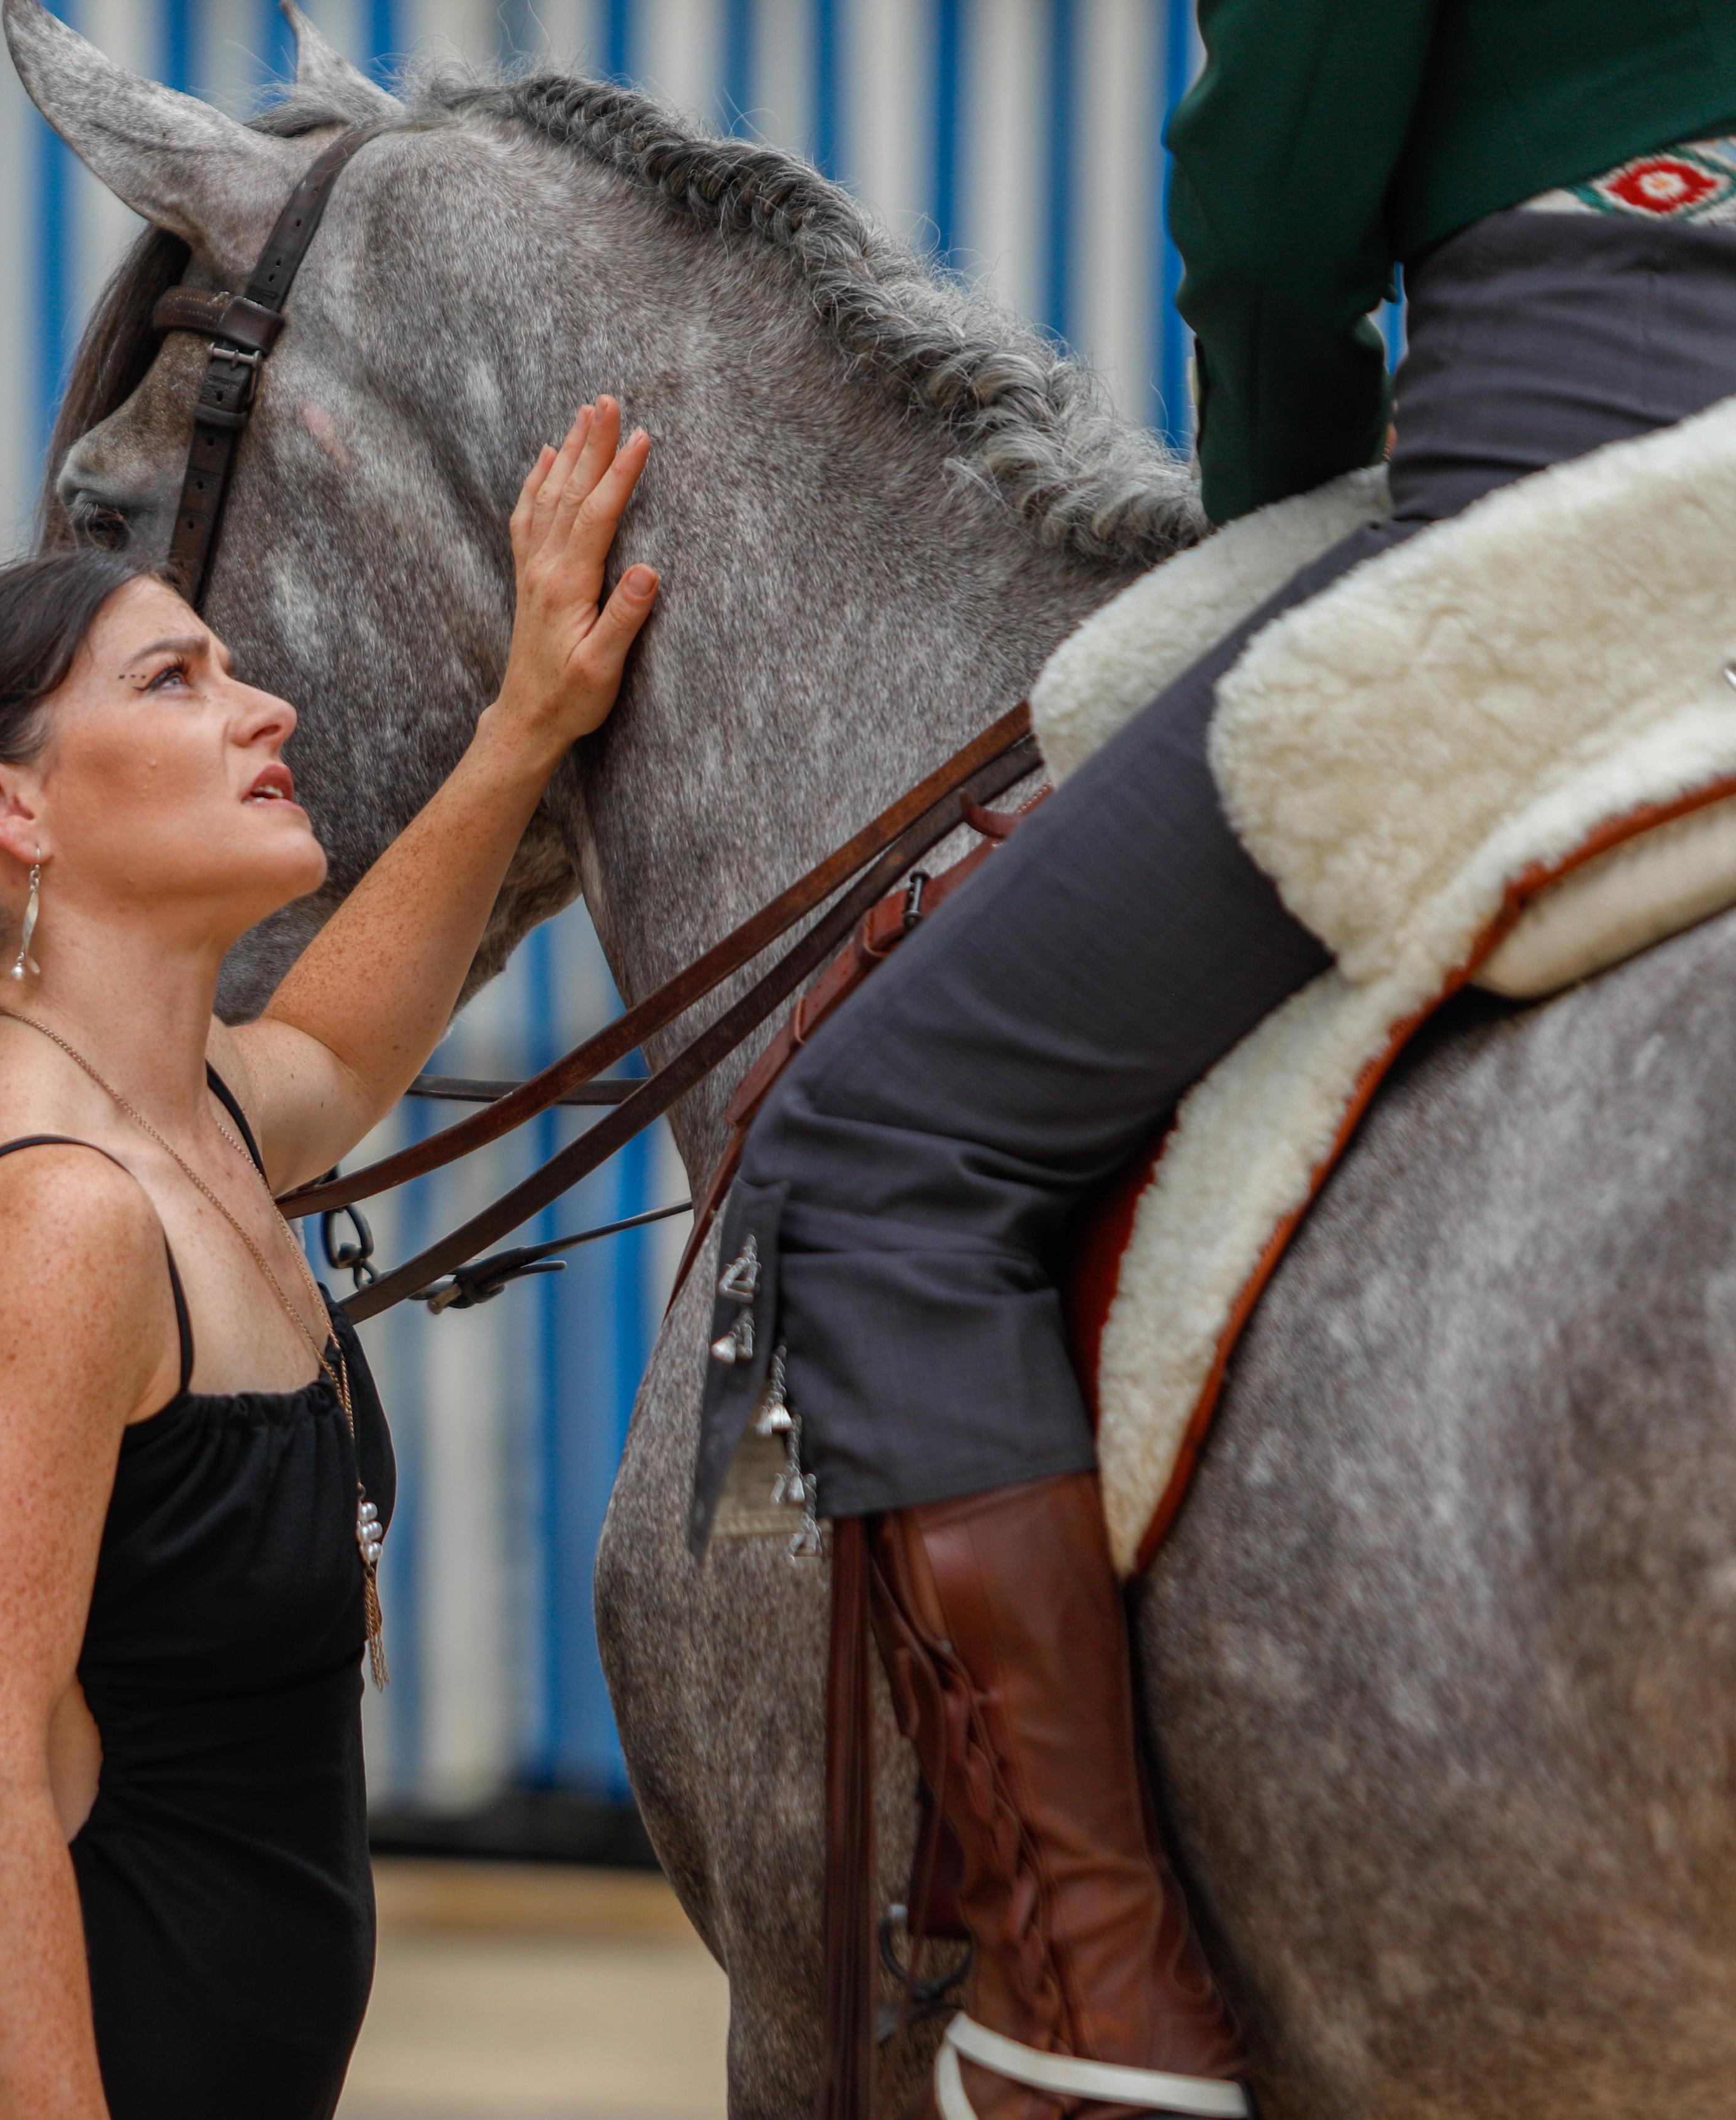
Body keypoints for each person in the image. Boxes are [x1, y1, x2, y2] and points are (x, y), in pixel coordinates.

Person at [694, 2, 1736, 2113]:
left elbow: (1268, 215)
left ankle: (1097, 2016)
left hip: (1607, 450)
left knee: (876, 1147)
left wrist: (1282, 504)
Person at [0, 401, 658, 2119]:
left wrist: (529, 723)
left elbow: (335, 1048)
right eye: (174, 682)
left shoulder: (185, 1119)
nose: (264, 710)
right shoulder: (50, 1207)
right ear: (3, 804)